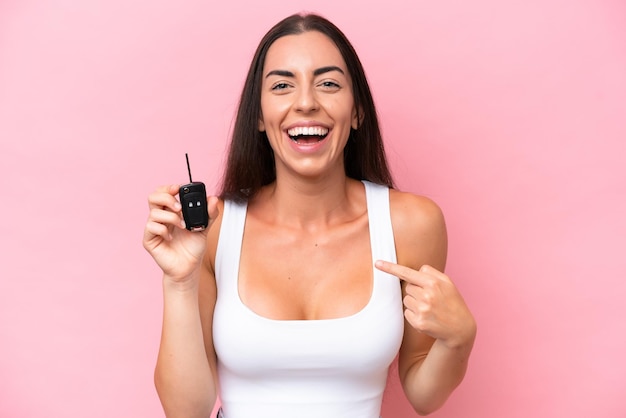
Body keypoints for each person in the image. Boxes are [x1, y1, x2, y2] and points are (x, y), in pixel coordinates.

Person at [143, 12, 476, 418]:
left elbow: (424, 394)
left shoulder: (410, 223)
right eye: (282, 86)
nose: (305, 103)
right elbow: (186, 410)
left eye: (329, 84)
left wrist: (459, 340)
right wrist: (179, 283)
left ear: (356, 113)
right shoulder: (216, 227)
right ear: (260, 118)